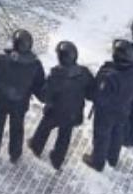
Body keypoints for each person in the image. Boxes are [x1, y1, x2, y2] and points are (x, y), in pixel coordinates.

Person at [28, 40, 93, 170]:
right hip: (73, 112)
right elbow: (90, 92)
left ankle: (36, 146)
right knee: (65, 136)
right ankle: (57, 159)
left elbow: (45, 95)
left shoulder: (56, 74)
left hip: (55, 111)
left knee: (44, 127)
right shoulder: (84, 72)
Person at [0, 28, 45, 163]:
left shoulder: (1, 60)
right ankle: (15, 153)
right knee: (17, 128)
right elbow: (39, 87)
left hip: (0, 101)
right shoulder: (35, 65)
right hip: (20, 103)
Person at [84, 39, 133, 172]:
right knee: (117, 132)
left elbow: (98, 94)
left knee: (102, 135)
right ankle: (113, 158)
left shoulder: (109, 76)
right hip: (124, 108)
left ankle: (97, 161)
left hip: (106, 112)